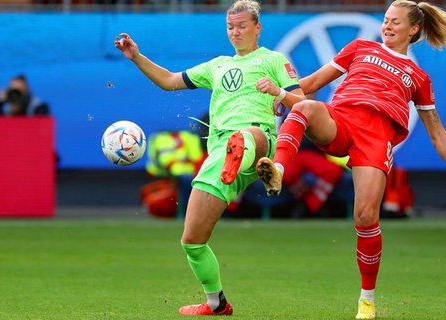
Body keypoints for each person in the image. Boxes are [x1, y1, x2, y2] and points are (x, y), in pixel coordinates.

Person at [255, 1, 446, 319]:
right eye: (386, 20)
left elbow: (437, 132)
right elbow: (312, 84)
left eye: (395, 22)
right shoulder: (360, 47)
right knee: (302, 107)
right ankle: (276, 169)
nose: (387, 26)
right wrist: (283, 94)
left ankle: (367, 300)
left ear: (413, 30)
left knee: (366, 216)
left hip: (376, 138)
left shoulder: (419, 78)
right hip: (341, 119)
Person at [115, 0, 304, 316]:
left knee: (248, 137)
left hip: (258, 140)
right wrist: (136, 57)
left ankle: (258, 162)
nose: (235, 32)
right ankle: (216, 302)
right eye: (230, 26)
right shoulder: (217, 65)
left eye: (242, 26)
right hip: (220, 155)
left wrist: (278, 92)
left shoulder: (274, 60)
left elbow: (303, 104)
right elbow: (169, 81)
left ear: (258, 27)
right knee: (192, 240)